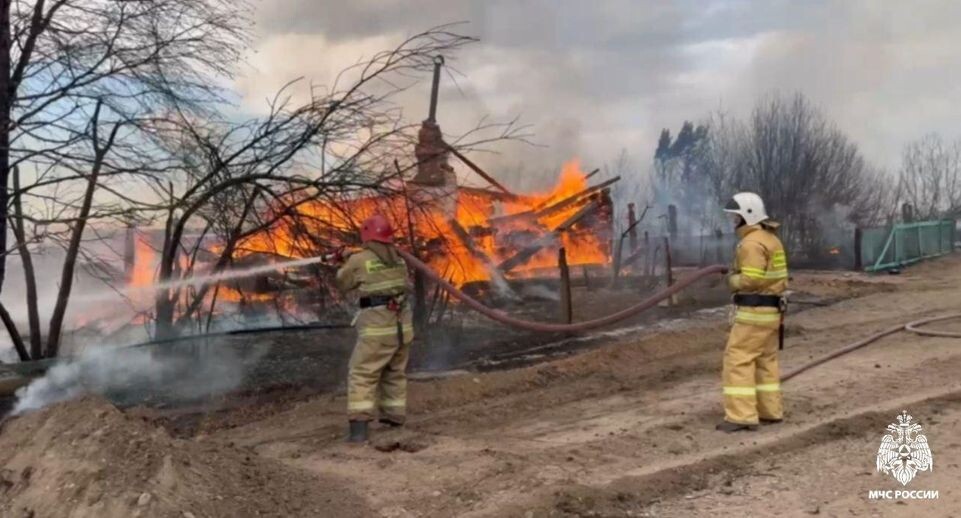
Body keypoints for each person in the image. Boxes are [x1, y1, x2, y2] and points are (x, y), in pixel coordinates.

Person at [334, 214, 414, 443]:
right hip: (401, 327)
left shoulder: (359, 260)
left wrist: (343, 261)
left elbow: (343, 282)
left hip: (377, 328)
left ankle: (358, 431)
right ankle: (394, 418)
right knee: (394, 371)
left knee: (362, 373)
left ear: (366, 235)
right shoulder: (399, 259)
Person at [717, 192, 788, 433]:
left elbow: (751, 280)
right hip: (771, 311)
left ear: (747, 215)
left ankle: (741, 416)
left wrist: (732, 280)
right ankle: (770, 411)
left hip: (754, 312)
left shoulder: (750, 244)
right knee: (766, 361)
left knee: (738, 359)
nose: (733, 222)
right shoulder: (770, 239)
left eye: (735, 217)